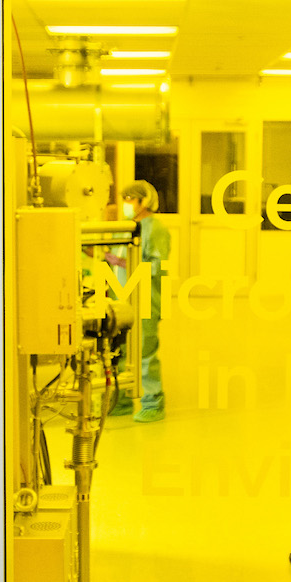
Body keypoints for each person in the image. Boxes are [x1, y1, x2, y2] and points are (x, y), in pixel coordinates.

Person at [107, 180, 170, 422]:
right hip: (122, 299)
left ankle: (154, 403)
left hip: (146, 299)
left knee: (145, 354)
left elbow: (157, 266)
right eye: (124, 199)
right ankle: (120, 401)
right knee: (119, 352)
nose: (126, 204)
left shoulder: (155, 229)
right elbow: (112, 256)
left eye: (130, 199)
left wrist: (125, 263)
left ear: (144, 201)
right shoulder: (127, 227)